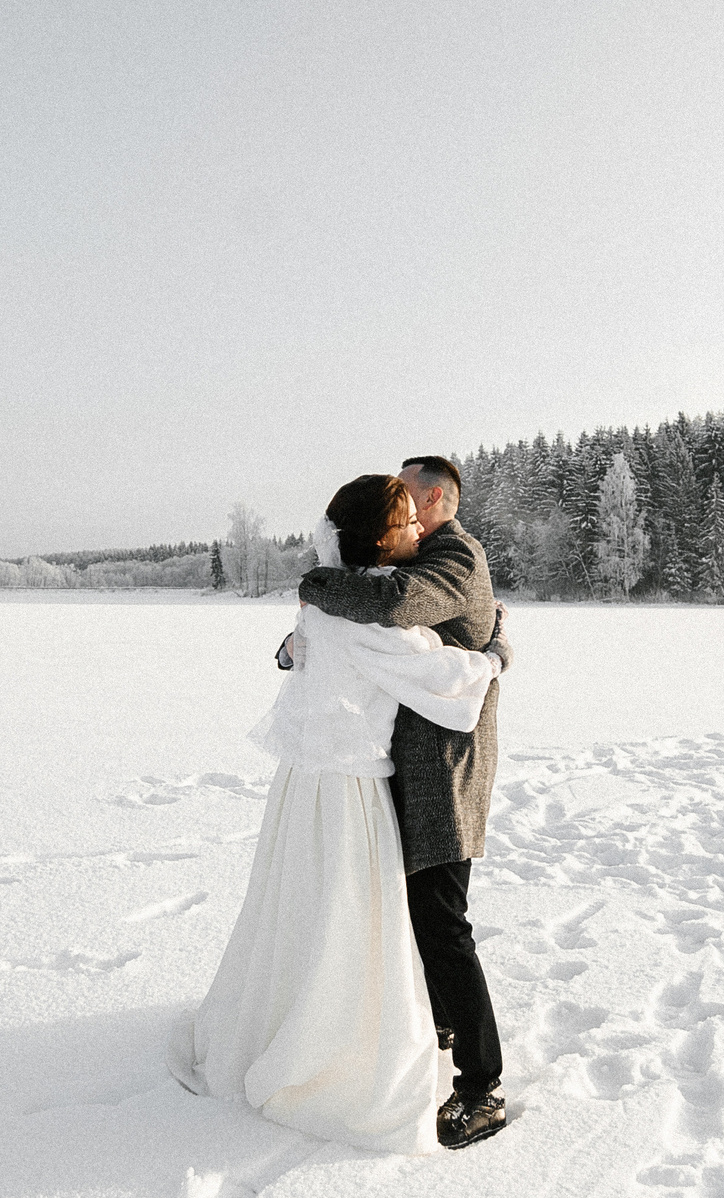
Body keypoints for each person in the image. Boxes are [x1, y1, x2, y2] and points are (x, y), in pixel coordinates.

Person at [169, 474, 512, 1155]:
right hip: (351, 793)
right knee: (351, 919)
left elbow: (298, 650)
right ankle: (341, 1043)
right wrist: (496, 653)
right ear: (380, 539)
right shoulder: (365, 619)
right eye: (407, 522)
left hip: (303, 785)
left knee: (299, 906)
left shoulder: (327, 600)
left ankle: (284, 1016)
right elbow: (447, 682)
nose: (419, 531)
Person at [295, 455, 510, 1151]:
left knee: (444, 922)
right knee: (416, 913)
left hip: (443, 770)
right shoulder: (427, 551)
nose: (404, 508)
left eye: (412, 496)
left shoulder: (455, 557)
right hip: (403, 761)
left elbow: (390, 606)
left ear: (443, 499)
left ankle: (483, 1089)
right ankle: (439, 1023)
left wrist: (320, 586)